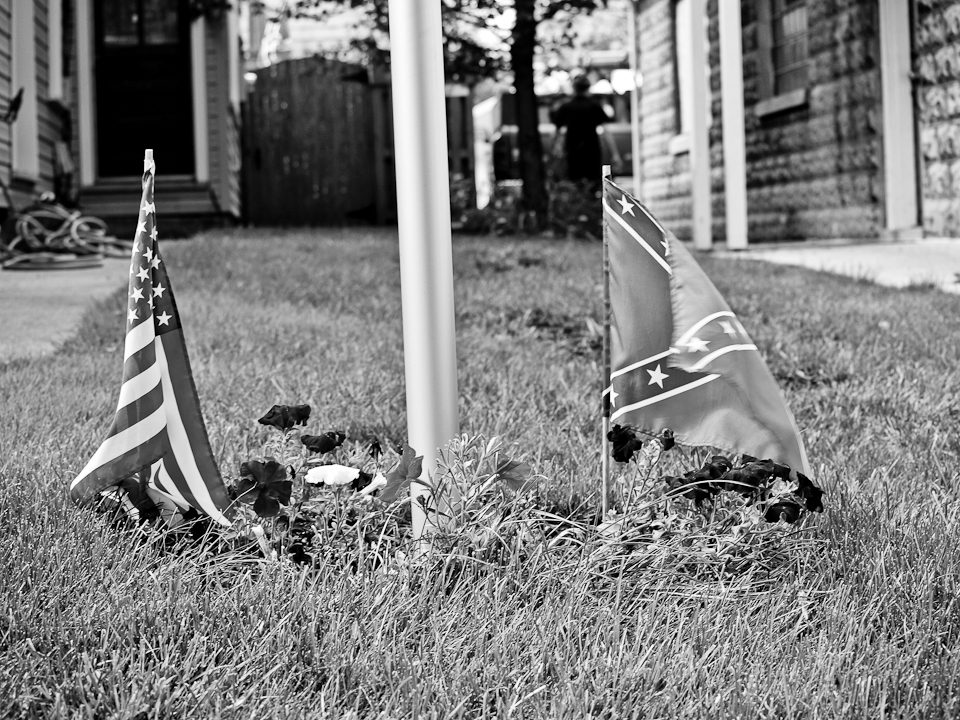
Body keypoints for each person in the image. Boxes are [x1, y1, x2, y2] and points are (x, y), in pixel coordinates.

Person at [550, 74, 621, 187]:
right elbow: (606, 131)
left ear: (574, 88)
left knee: (575, 183)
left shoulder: (566, 107)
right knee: (592, 183)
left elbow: (556, 132)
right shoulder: (594, 106)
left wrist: (554, 149)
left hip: (572, 150)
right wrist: (615, 154)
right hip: (591, 150)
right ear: (588, 88)